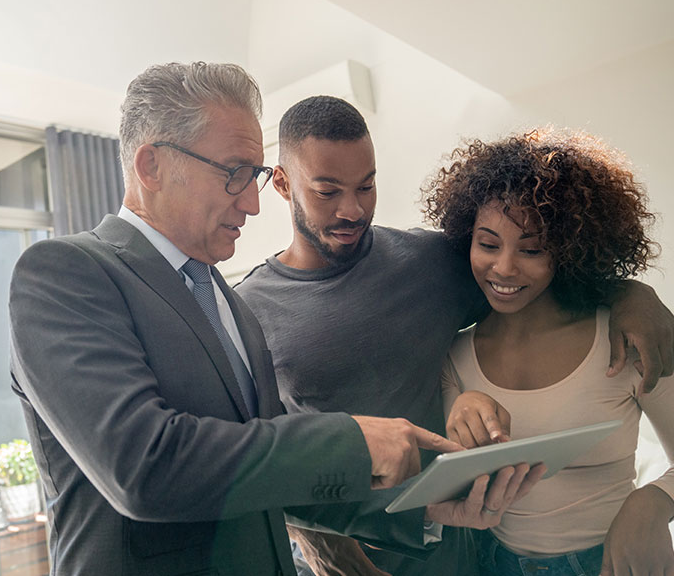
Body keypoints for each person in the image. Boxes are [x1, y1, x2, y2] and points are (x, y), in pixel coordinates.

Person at [8, 63, 541, 576]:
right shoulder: (64, 273)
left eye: (255, 176)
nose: (255, 205)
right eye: (235, 175)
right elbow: (144, 467)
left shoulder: (228, 303)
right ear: (152, 167)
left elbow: (270, 481)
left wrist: (418, 510)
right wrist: (353, 442)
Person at [235, 97, 674, 576]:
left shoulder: (432, 260)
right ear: (281, 183)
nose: (353, 209)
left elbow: (537, 270)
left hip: (467, 549)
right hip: (350, 557)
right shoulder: (246, 312)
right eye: (327, 192)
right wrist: (329, 553)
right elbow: (262, 457)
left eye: (367, 185)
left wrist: (634, 293)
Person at [426, 128, 674, 575]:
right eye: (487, 244)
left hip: (609, 563)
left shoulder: (625, 339)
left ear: (569, 251)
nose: (503, 267)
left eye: (532, 249)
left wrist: (652, 502)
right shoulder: (455, 356)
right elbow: (458, 488)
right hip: (490, 564)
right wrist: (461, 410)